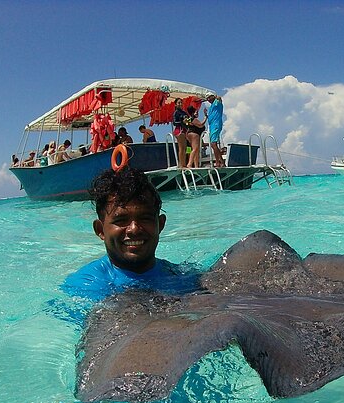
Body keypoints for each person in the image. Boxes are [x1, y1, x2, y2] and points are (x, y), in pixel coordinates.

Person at [61, 167, 198, 301]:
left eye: (145, 218)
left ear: (160, 224)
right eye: (121, 220)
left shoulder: (180, 274)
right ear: (100, 230)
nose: (134, 229)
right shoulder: (86, 285)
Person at [205, 93, 225, 167]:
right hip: (212, 126)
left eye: (209, 97)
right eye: (207, 98)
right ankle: (220, 162)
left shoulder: (217, 102)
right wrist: (206, 115)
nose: (208, 99)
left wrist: (216, 97)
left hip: (216, 125)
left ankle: (219, 162)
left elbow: (219, 99)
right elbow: (212, 116)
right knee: (213, 144)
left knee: (213, 144)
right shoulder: (212, 107)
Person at [172, 98, 189, 168]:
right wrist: (183, 121)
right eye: (179, 103)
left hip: (185, 130)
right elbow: (174, 123)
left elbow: (188, 122)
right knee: (182, 147)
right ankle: (182, 165)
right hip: (179, 130)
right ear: (176, 104)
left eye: (181, 102)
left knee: (186, 148)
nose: (180, 104)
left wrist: (188, 121)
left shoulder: (184, 112)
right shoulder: (176, 112)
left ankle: (183, 163)